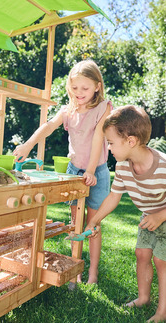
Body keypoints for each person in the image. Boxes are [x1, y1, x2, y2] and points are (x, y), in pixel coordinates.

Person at [84, 105, 166, 323]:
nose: (109, 148)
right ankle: (144, 298)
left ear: (131, 141)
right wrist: (94, 221)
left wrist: (161, 216)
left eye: (111, 143)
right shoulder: (123, 166)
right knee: (141, 253)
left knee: (161, 260)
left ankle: (163, 312)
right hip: (151, 214)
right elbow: (114, 196)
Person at [12, 59, 112, 284]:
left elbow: (98, 138)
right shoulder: (69, 110)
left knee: (93, 223)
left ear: (97, 86)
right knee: (77, 221)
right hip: (75, 170)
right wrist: (27, 145)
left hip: (98, 170)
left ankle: (93, 274)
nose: (79, 93)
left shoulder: (103, 107)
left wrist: (91, 171)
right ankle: (75, 271)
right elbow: (48, 126)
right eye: (74, 88)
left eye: (85, 88)